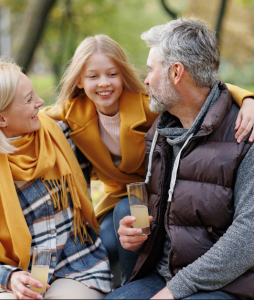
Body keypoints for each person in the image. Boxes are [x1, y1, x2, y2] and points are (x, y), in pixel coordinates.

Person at [0, 35, 254, 287]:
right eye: (93, 76)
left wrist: (247, 98)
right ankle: (126, 285)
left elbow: (200, 93)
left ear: (123, 74)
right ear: (79, 80)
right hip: (116, 199)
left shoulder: (147, 105)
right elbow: (8, 122)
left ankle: (132, 283)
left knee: (128, 230)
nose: (104, 84)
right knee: (107, 246)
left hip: (151, 192)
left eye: (112, 74)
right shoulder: (71, 114)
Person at [106, 18, 254, 300]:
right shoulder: (163, 128)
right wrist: (134, 237)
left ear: (176, 72)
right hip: (166, 274)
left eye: (150, 70)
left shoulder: (245, 133)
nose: (145, 80)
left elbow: (249, 236)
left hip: (228, 286)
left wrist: (176, 289)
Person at [0, 60, 111, 300]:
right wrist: (9, 278)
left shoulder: (60, 135)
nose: (40, 102)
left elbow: (108, 108)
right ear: (0, 119)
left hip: (73, 268)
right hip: (9, 279)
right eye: (28, 100)